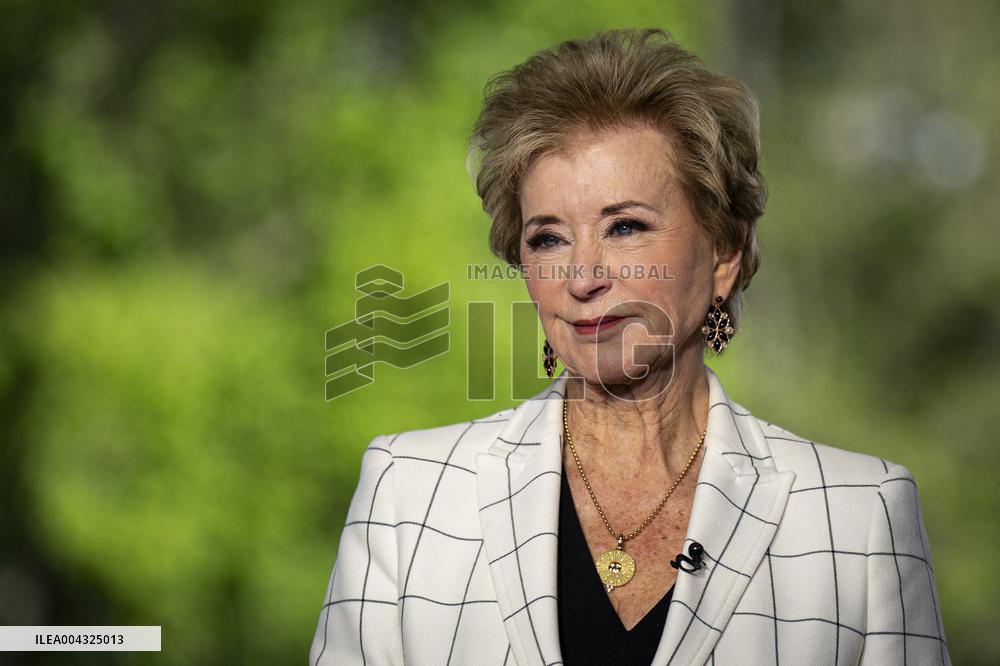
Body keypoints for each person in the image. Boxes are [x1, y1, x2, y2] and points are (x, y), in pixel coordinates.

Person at [309, 28, 949, 665]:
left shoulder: (860, 517)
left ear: (725, 252)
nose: (583, 278)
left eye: (625, 227)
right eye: (548, 239)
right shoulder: (408, 495)